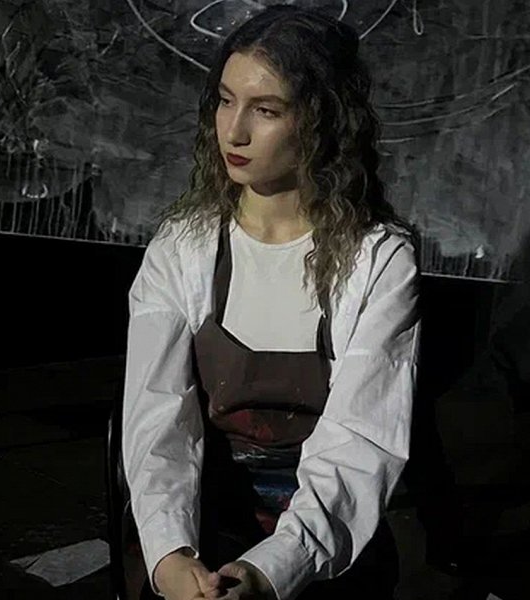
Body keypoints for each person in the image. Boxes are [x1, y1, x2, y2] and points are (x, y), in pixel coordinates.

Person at [120, 5, 422, 600]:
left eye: (266, 110)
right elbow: (157, 419)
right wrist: (171, 554)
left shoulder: (377, 260)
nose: (233, 132)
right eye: (224, 101)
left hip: (325, 540)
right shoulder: (184, 248)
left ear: (323, 119)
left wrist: (273, 568)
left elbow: (361, 439)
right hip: (200, 522)